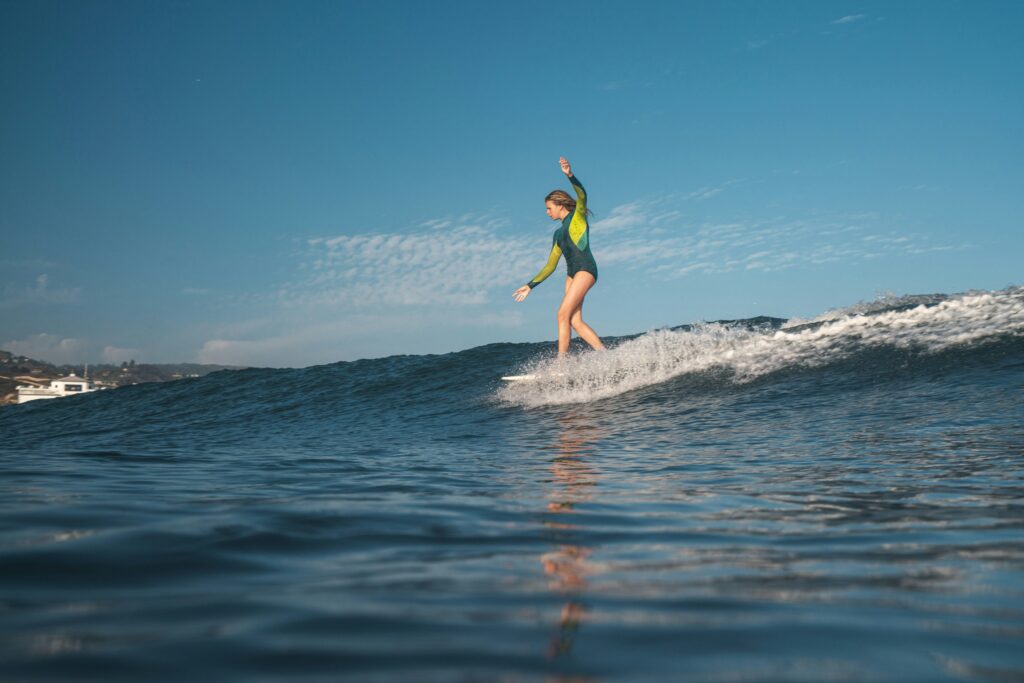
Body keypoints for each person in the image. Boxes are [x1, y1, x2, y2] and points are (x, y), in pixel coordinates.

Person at [513, 157, 605, 356]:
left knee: (561, 314)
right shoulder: (557, 235)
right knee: (574, 320)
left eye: (549, 208)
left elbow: (582, 195)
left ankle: (561, 365)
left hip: (586, 269)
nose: (547, 212)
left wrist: (570, 175)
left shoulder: (577, 217)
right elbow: (550, 266)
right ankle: (605, 355)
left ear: (559, 204)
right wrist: (530, 285)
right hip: (571, 273)